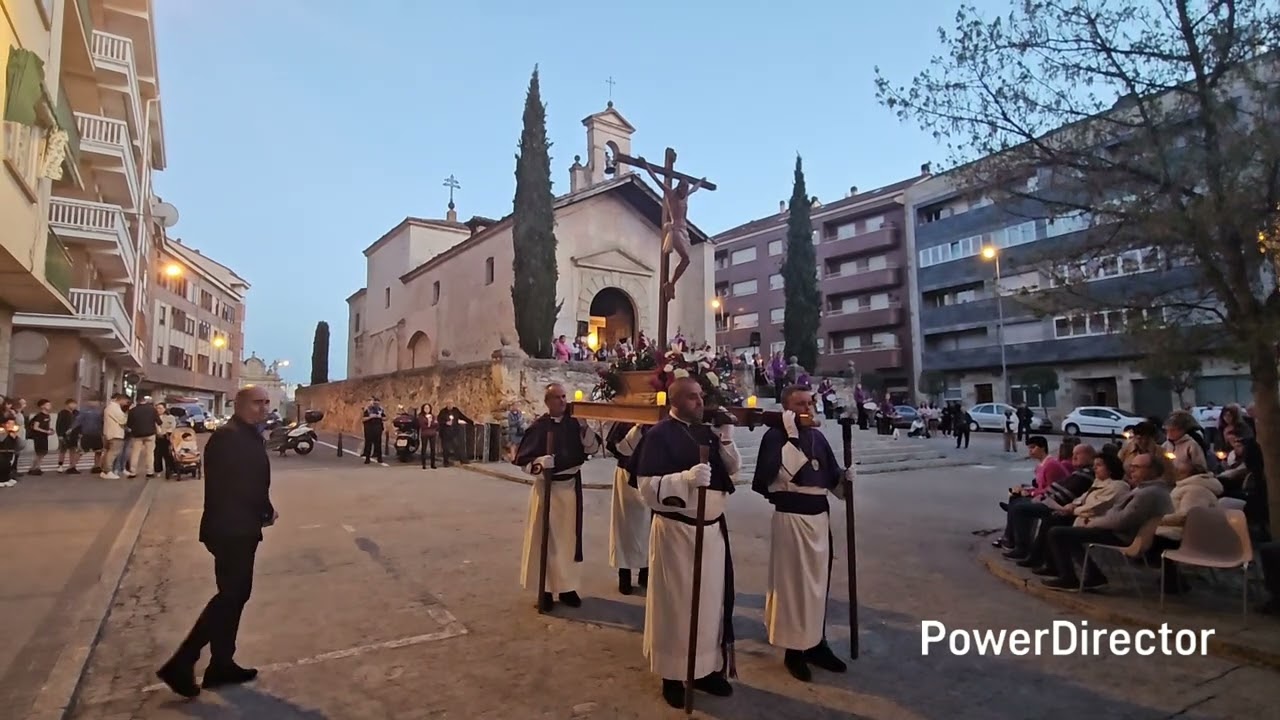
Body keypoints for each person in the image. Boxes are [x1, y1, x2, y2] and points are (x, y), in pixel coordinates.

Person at [156, 386, 275, 698]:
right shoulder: (229, 436)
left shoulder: (247, 434)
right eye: (256, 403)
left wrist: (263, 509)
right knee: (231, 595)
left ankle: (221, 664)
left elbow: (252, 479)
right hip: (230, 527)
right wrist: (264, 509)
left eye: (266, 403)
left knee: (235, 594)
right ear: (239, 405)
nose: (262, 409)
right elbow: (237, 484)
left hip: (241, 525)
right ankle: (183, 661)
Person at [632, 377, 741, 709]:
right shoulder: (659, 434)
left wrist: (725, 440)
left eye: (700, 396)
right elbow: (646, 488)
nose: (699, 401)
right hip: (677, 534)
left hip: (711, 533)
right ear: (675, 401)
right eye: (693, 397)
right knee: (676, 605)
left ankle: (704, 669)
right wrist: (685, 480)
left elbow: (733, 472)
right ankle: (672, 673)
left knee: (709, 603)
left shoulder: (705, 431)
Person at [752, 385, 851, 682]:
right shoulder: (774, 437)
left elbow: (833, 483)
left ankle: (816, 643)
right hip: (791, 518)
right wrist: (792, 437)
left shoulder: (818, 437)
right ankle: (794, 651)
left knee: (817, 585)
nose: (806, 407)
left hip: (819, 519)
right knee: (793, 586)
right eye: (798, 404)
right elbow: (779, 476)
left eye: (809, 402)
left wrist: (846, 480)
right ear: (786, 408)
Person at [512, 383, 600, 610]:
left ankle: (567, 587)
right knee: (545, 540)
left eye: (564, 396)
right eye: (557, 397)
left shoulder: (574, 423)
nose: (562, 401)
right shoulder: (539, 427)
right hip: (547, 491)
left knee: (568, 540)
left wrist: (584, 428)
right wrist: (540, 464)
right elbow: (524, 462)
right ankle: (545, 590)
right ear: (547, 401)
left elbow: (591, 449)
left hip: (570, 490)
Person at [1042, 452, 1174, 591]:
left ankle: (1070, 578)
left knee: (1058, 533)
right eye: (1132, 466)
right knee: (1065, 531)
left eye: (1137, 467)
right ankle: (1092, 575)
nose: (1131, 470)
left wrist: (1093, 523)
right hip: (1120, 531)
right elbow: (1116, 513)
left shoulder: (1149, 493)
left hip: (1123, 535)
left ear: (1152, 470)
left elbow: (1122, 520)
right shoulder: (1148, 489)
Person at [605, 422, 649, 595]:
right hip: (626, 476)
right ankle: (625, 575)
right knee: (625, 526)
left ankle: (646, 572)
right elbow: (621, 449)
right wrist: (638, 427)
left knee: (650, 527)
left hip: (651, 474)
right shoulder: (626, 418)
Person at [126, 396, 160, 478]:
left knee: (135, 453)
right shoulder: (152, 409)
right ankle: (150, 472)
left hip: (136, 435)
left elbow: (129, 424)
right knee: (149, 454)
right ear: (145, 401)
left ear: (137, 401)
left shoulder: (132, 411)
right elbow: (158, 421)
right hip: (150, 434)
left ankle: (132, 472)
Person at [101, 394, 128, 480]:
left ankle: (104, 471)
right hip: (116, 433)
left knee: (108, 452)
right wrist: (126, 415)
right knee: (113, 453)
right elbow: (122, 421)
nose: (126, 403)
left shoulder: (108, 407)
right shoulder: (115, 408)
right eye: (126, 401)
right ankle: (108, 471)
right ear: (122, 400)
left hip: (108, 432)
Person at [26, 399, 54, 475]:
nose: (50, 406)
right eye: (47, 405)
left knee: (43, 452)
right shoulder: (39, 416)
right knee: (39, 453)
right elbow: (35, 427)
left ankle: (37, 467)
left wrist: (50, 430)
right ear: (42, 406)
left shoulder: (47, 415)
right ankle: (34, 469)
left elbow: (45, 426)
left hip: (44, 436)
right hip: (38, 437)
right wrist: (46, 431)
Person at [361, 397, 386, 464]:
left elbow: (385, 417)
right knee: (368, 443)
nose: (376, 404)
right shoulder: (368, 410)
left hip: (378, 428)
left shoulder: (381, 410)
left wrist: (380, 417)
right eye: (375, 403)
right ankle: (367, 458)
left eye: (378, 403)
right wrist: (371, 417)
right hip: (369, 428)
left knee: (378, 444)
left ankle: (379, 458)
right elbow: (363, 419)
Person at [55, 399, 78, 471]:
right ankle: (60, 465)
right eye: (73, 404)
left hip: (74, 435)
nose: (75, 406)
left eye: (75, 404)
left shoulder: (75, 413)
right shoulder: (62, 413)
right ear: (68, 404)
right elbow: (58, 425)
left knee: (73, 450)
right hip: (64, 434)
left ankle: (72, 466)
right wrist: (60, 435)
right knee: (63, 450)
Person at [417, 403, 439, 469]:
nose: (427, 409)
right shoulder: (421, 416)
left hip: (432, 434)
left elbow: (436, 424)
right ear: (423, 409)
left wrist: (430, 424)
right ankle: (424, 464)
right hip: (425, 434)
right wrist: (429, 424)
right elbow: (422, 425)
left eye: (428, 408)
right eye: (425, 408)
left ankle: (433, 464)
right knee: (424, 449)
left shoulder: (433, 416)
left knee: (433, 449)